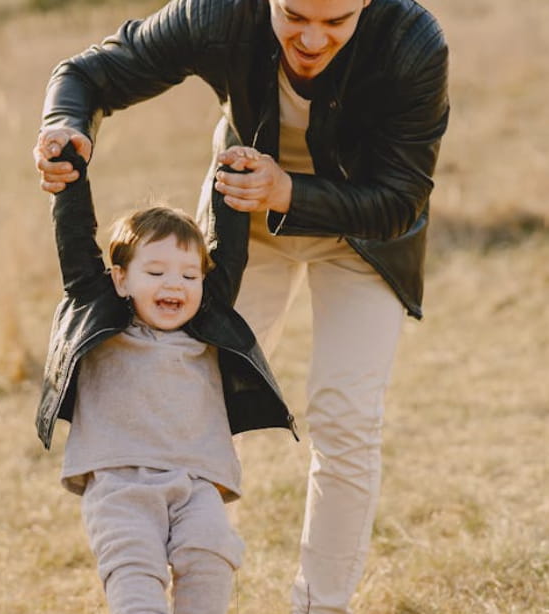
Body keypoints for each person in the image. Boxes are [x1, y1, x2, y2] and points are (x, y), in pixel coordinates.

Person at [32, 1, 450, 612]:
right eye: (295, 14)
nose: (311, 38)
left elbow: (402, 199)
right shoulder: (219, 12)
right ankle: (147, 568)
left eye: (336, 22)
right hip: (242, 229)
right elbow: (90, 73)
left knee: (346, 419)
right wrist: (63, 126)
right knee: (192, 397)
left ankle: (320, 604)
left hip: (365, 236)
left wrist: (288, 189)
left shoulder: (413, 41)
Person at [36, 144, 297, 613]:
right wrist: (70, 175)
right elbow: (75, 244)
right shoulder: (103, 317)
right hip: (119, 483)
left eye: (188, 275)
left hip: (197, 482)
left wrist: (232, 173)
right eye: (155, 271)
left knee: (211, 556)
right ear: (120, 279)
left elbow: (230, 252)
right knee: (134, 570)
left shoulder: (208, 323)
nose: (174, 284)